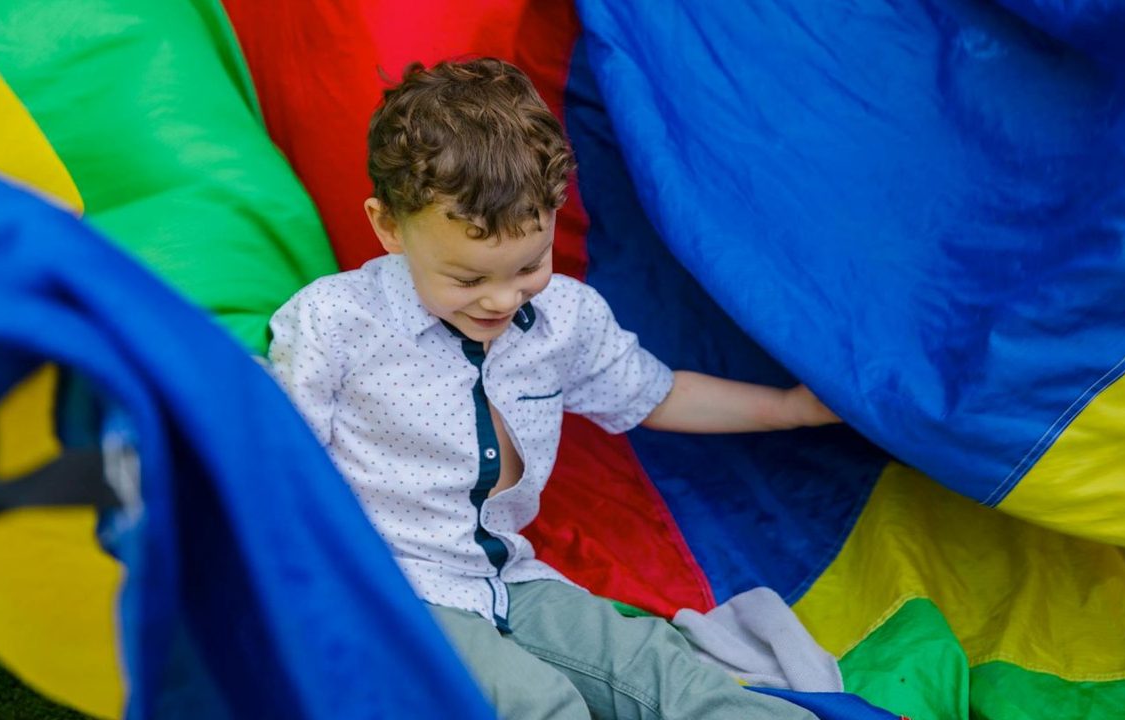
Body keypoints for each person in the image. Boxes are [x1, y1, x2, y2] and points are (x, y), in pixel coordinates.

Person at [269, 57, 838, 720]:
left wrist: (790, 410)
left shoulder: (564, 320)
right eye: (467, 279)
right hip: (391, 586)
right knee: (537, 703)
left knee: (661, 669)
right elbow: (274, 462)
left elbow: (657, 395)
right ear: (388, 226)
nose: (502, 298)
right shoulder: (336, 321)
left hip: (511, 579)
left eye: (528, 264)